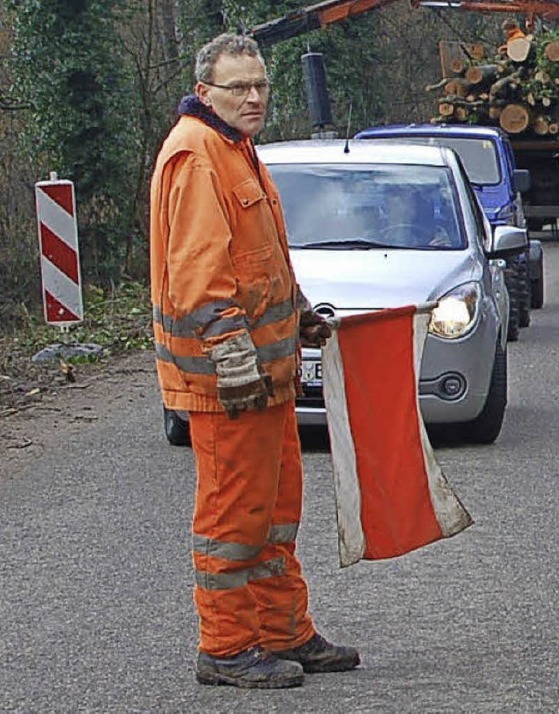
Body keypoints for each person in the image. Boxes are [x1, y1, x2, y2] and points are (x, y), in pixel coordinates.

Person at [149, 32, 359, 689]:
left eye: (261, 85)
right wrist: (232, 355)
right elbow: (198, 274)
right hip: (227, 385)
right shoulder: (196, 153)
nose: (253, 96)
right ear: (204, 91)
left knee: (275, 515)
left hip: (268, 379)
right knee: (231, 520)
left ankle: (284, 633)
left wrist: (296, 314)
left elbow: (258, 259)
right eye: (238, 86)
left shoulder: (236, 150)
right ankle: (226, 647)